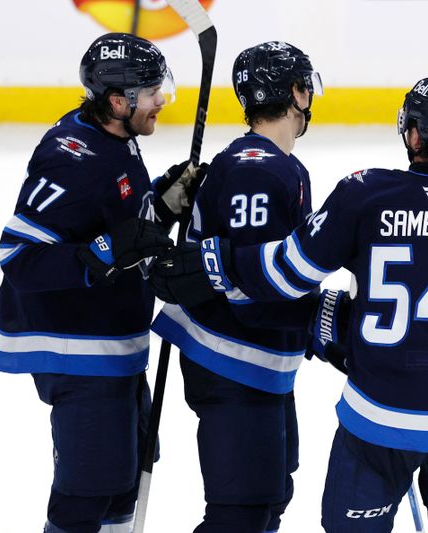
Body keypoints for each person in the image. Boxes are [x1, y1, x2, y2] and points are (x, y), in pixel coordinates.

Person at [151, 77, 428, 533]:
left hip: (377, 419)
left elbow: (287, 271)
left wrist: (216, 262)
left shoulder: (363, 193)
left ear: (412, 134)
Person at [0, 33, 198, 533]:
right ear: (117, 100)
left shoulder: (113, 138)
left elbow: (112, 220)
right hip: (77, 348)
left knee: (123, 480)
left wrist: (159, 206)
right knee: (90, 488)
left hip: (112, 338)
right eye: (151, 91)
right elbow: (18, 256)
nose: (162, 99)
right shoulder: (72, 158)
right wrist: (105, 251)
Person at [150, 41, 323, 533]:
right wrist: (324, 324)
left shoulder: (269, 162)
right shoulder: (259, 170)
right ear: (296, 92)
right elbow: (252, 288)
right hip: (232, 360)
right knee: (240, 513)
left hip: (257, 363)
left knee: (269, 498)